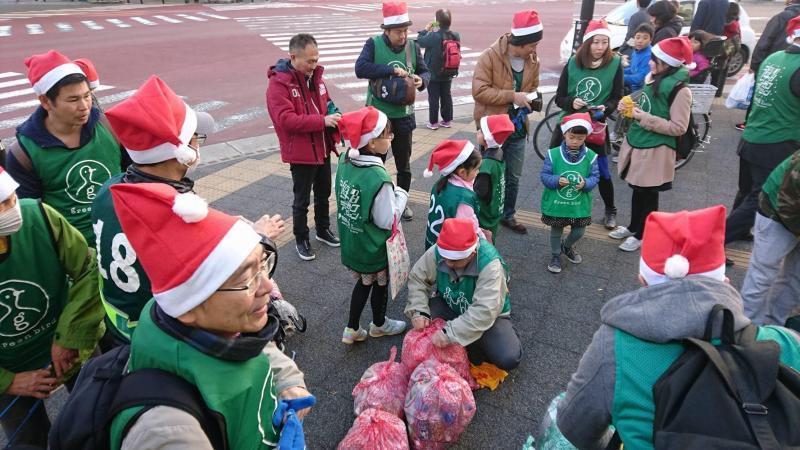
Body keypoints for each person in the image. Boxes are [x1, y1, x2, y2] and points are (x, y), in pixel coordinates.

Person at [556, 205, 800, 449]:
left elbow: (574, 427)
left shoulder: (613, 348)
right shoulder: (785, 344)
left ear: (643, 279)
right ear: (723, 280)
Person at [107, 182, 312, 449]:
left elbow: (253, 346)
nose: (267, 287)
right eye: (246, 279)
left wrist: (288, 380)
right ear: (191, 304)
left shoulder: (199, 323)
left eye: (262, 266)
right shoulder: (169, 432)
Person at [93, 75, 240, 345]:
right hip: (159, 333)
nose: (198, 144)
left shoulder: (108, 189)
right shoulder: (177, 212)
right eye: (196, 138)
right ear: (182, 151)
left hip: (114, 324)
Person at [0, 167, 104, 448]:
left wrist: (71, 337)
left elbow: (88, 267)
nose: (11, 210)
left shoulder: (39, 217)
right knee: (27, 441)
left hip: (72, 349)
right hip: (11, 371)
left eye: (10, 198)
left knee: (99, 417)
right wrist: (8, 381)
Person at [4, 50, 128, 245]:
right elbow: (31, 218)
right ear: (45, 101)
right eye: (73, 99)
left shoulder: (109, 127)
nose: (84, 106)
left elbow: (136, 177)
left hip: (121, 242)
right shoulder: (23, 154)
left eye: (87, 96)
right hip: (69, 255)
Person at [610, 37, 693, 252]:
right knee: (638, 189)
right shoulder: (654, 78)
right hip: (641, 142)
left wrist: (643, 117)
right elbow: (650, 104)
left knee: (648, 193)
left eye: (654, 60)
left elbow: (678, 127)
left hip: (656, 148)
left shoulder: (681, 90)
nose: (650, 62)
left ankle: (642, 234)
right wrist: (629, 105)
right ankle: (633, 227)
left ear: (668, 63)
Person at [405, 218, 521, 370]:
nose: (448, 263)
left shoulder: (490, 264)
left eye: (455, 261)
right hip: (450, 304)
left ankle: (485, 336)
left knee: (508, 359)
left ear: (472, 254)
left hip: (490, 316)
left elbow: (484, 310)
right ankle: (468, 337)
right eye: (446, 258)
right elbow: (418, 278)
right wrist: (419, 310)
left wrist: (450, 333)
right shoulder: (440, 251)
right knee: (420, 326)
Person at [335, 107, 409, 345]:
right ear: (373, 143)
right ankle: (379, 324)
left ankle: (352, 328)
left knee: (362, 282)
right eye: (388, 135)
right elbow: (387, 219)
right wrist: (402, 195)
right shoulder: (379, 178)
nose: (392, 138)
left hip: (353, 239)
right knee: (379, 283)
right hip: (372, 244)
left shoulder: (347, 159)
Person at [726, 17, 800, 247]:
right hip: (777, 142)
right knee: (759, 198)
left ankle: (736, 232)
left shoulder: (774, 58)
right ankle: (714, 242)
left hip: (752, 137)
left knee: (746, 192)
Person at [267, 33, 341, 261]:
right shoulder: (279, 84)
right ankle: (301, 238)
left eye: (316, 59)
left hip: (321, 147)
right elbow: (285, 120)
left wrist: (334, 114)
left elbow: (326, 102)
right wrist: (322, 121)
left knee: (323, 193)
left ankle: (322, 230)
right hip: (300, 153)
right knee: (301, 201)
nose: (314, 65)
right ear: (293, 57)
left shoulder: (316, 78)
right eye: (309, 61)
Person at [355, 1, 430, 222]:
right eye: (398, 31)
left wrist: (420, 80)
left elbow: (426, 72)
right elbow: (361, 68)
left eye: (405, 31)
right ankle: (373, 202)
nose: (403, 35)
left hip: (404, 116)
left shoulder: (413, 47)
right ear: (386, 31)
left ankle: (401, 202)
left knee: (403, 164)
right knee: (374, 163)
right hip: (378, 120)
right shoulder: (374, 44)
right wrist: (390, 70)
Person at [472, 10, 542, 235]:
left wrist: (531, 97)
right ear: (520, 43)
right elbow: (479, 91)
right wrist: (513, 96)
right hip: (492, 130)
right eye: (532, 45)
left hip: (518, 128)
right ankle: (481, 215)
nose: (534, 50)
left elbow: (532, 87)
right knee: (486, 174)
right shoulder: (490, 56)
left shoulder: (533, 60)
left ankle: (508, 215)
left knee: (513, 176)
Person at [552, 19, 622, 229]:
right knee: (560, 167)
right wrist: (571, 102)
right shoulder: (573, 63)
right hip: (569, 124)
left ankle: (610, 210)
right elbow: (559, 97)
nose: (600, 47)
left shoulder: (615, 63)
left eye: (604, 42)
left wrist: (605, 109)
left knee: (601, 170)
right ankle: (561, 208)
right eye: (595, 42)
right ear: (587, 43)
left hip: (595, 125)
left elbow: (617, 97)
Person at [741, 149, 800, 326]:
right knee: (763, 274)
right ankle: (745, 329)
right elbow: (787, 203)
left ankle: (774, 327)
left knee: (795, 279)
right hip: (778, 208)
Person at [541, 113, 600, 274]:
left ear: (585, 137)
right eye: (572, 137)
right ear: (564, 134)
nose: (575, 141)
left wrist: (586, 183)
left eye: (580, 138)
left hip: (579, 204)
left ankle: (566, 247)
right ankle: (555, 255)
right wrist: (556, 180)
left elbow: (595, 177)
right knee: (556, 230)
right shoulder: (553, 154)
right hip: (557, 204)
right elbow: (545, 176)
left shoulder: (591, 156)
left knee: (579, 230)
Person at [736, 0, 800, 131]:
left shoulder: (781, 17)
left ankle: (749, 123)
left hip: (773, 63)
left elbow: (765, 42)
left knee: (762, 94)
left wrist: (754, 65)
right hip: (793, 65)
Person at [423, 139, 484, 249]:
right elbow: (471, 228)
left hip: (433, 243)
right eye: (476, 169)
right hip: (450, 251)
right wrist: (484, 241)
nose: (478, 173)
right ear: (462, 172)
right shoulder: (462, 199)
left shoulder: (440, 183)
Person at [474, 114, 515, 241]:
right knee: (491, 239)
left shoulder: (486, 164)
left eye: (481, 131)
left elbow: (480, 192)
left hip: (484, 215)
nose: (477, 132)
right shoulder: (499, 154)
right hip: (495, 210)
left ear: (487, 138)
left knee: (482, 245)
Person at [417, 9, 459, 130]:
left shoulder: (434, 36)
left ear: (437, 22)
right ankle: (447, 120)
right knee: (446, 96)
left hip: (434, 73)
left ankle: (433, 122)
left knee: (433, 97)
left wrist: (426, 30)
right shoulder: (455, 35)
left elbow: (420, 41)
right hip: (449, 70)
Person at [623, 24, 654, 94]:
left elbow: (639, 79)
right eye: (638, 37)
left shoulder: (649, 56)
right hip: (631, 86)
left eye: (645, 38)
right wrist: (619, 71)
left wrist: (621, 76)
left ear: (650, 40)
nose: (640, 41)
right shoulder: (636, 50)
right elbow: (632, 69)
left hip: (640, 91)